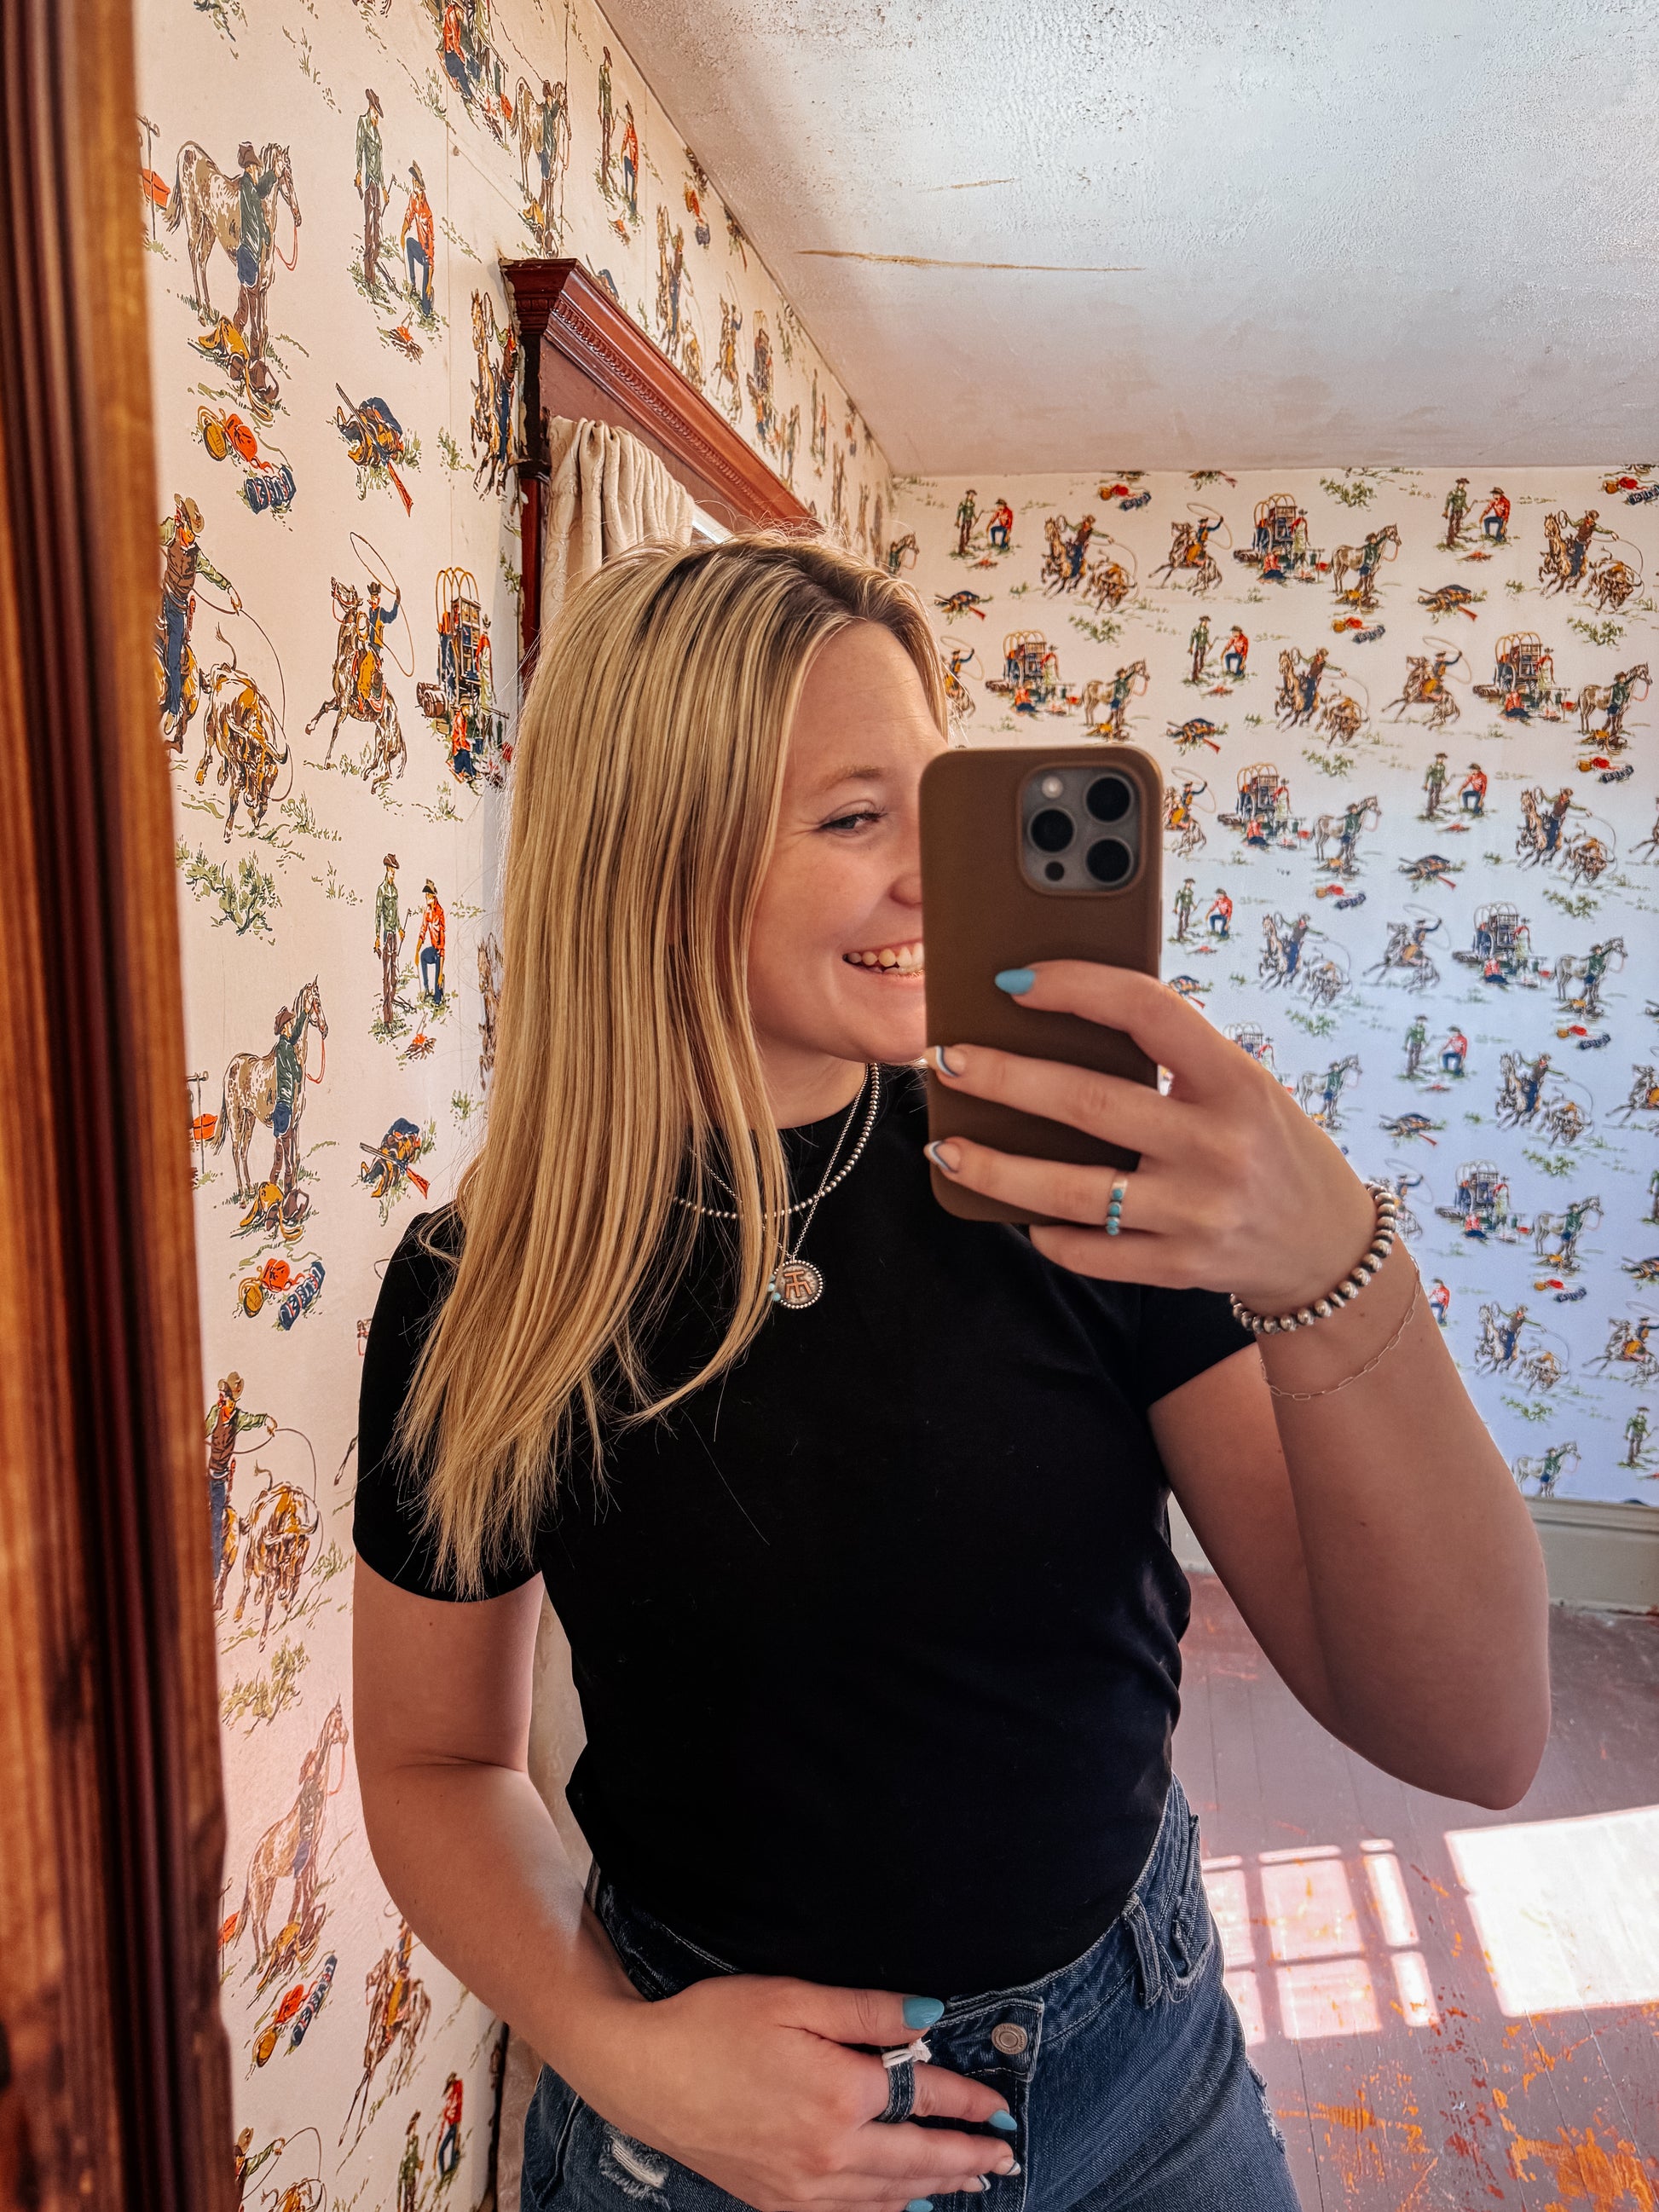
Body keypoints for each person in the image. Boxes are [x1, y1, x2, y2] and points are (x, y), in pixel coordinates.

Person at [352, 534, 1549, 2212]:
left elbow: (1473, 1733)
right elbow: (433, 1764)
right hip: (714, 2137)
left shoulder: (1068, 1187)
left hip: (1143, 2076)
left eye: (943, 798)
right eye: (857, 819)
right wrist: (617, 2050)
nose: (940, 875)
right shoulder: (482, 1291)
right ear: (653, 852)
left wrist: (1336, 1270)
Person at [355, 91, 387, 296]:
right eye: (376, 113)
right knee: (369, 229)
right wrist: (359, 171)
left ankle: (374, 261)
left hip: (377, 184)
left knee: (377, 227)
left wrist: (383, 188)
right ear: (371, 109)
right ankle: (369, 275)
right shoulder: (364, 124)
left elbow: (380, 164)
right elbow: (359, 148)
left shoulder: (376, 132)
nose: (377, 117)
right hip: (368, 183)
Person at [401, 162, 435, 316]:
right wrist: (402, 233)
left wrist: (429, 283)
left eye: (416, 182)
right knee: (409, 243)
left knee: (425, 307)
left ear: (420, 186)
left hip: (428, 257)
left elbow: (431, 249)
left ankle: (428, 300)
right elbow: (409, 214)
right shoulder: (414, 199)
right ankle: (413, 283)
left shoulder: (427, 214)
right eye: (413, 181)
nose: (414, 184)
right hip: (420, 249)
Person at [417, 878, 446, 1007]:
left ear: (433, 896)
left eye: (428, 894)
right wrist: (417, 950)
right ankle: (426, 988)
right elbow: (423, 930)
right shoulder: (427, 911)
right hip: (433, 949)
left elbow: (442, 944)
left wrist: (440, 973)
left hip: (440, 952)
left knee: (437, 1000)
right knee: (423, 955)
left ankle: (440, 984)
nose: (426, 897)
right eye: (426, 895)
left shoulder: (440, 913)